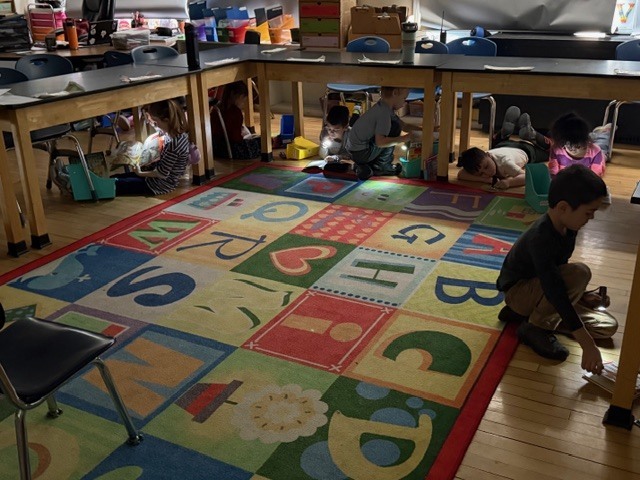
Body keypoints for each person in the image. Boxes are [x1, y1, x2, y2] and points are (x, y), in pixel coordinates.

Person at [496, 164, 618, 373]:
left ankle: (533, 318)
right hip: (520, 293)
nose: (592, 218)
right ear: (563, 207)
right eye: (589, 212)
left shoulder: (568, 227)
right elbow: (553, 287)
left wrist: (583, 296)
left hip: (543, 292)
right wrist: (586, 344)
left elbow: (558, 273)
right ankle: (534, 328)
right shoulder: (540, 238)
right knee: (581, 272)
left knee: (607, 326)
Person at [457, 106, 550, 189]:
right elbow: (461, 174)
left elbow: (527, 177)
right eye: (481, 174)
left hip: (526, 149)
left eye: (486, 167)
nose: (487, 173)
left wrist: (509, 182)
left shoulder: (505, 164)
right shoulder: (482, 157)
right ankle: (503, 134)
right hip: (503, 145)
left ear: (488, 155)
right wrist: (485, 180)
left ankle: (532, 134)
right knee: (496, 144)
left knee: (548, 152)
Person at [111, 98, 190, 196]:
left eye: (156, 122)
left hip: (157, 185)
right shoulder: (175, 135)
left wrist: (140, 173)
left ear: (166, 120)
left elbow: (162, 174)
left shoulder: (174, 143)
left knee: (113, 184)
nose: (155, 125)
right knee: (114, 178)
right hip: (152, 178)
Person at [345, 86, 421, 180]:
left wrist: (423, 130)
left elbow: (404, 126)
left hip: (355, 151)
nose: (404, 103)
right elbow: (380, 142)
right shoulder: (384, 114)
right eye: (404, 98)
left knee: (396, 125)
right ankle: (382, 166)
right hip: (362, 153)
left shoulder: (382, 106)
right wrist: (405, 138)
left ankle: (366, 166)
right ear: (395, 93)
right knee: (395, 127)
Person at [548, 112, 610, 177]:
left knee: (602, 143)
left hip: (598, 154)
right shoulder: (556, 149)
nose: (575, 149)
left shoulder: (595, 151)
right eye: (573, 147)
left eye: (582, 146)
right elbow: (553, 171)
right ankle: (596, 133)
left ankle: (604, 132)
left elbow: (595, 176)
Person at [211, 80, 261, 159]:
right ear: (238, 96)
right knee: (260, 141)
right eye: (243, 100)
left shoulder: (216, 109)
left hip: (215, 147)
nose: (243, 104)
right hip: (231, 149)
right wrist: (242, 136)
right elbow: (235, 138)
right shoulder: (235, 112)